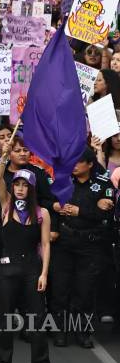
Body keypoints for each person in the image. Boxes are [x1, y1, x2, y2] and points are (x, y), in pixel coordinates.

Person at [0, 143, 50, 363]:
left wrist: (44, 274)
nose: (19, 189)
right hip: (6, 270)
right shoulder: (6, 205)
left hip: (32, 270)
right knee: (5, 320)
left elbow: (45, 244)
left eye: (25, 185)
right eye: (16, 184)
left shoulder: (42, 213)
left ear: (31, 189)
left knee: (37, 321)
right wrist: (5, 156)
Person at [49, 148, 113, 348]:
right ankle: (60, 331)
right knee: (60, 289)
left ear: (90, 164)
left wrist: (82, 211)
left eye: (79, 162)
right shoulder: (62, 182)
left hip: (90, 245)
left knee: (84, 291)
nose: (74, 166)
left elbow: (108, 217)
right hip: (64, 243)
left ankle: (82, 332)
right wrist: (55, 207)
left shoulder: (103, 185)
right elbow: (46, 203)